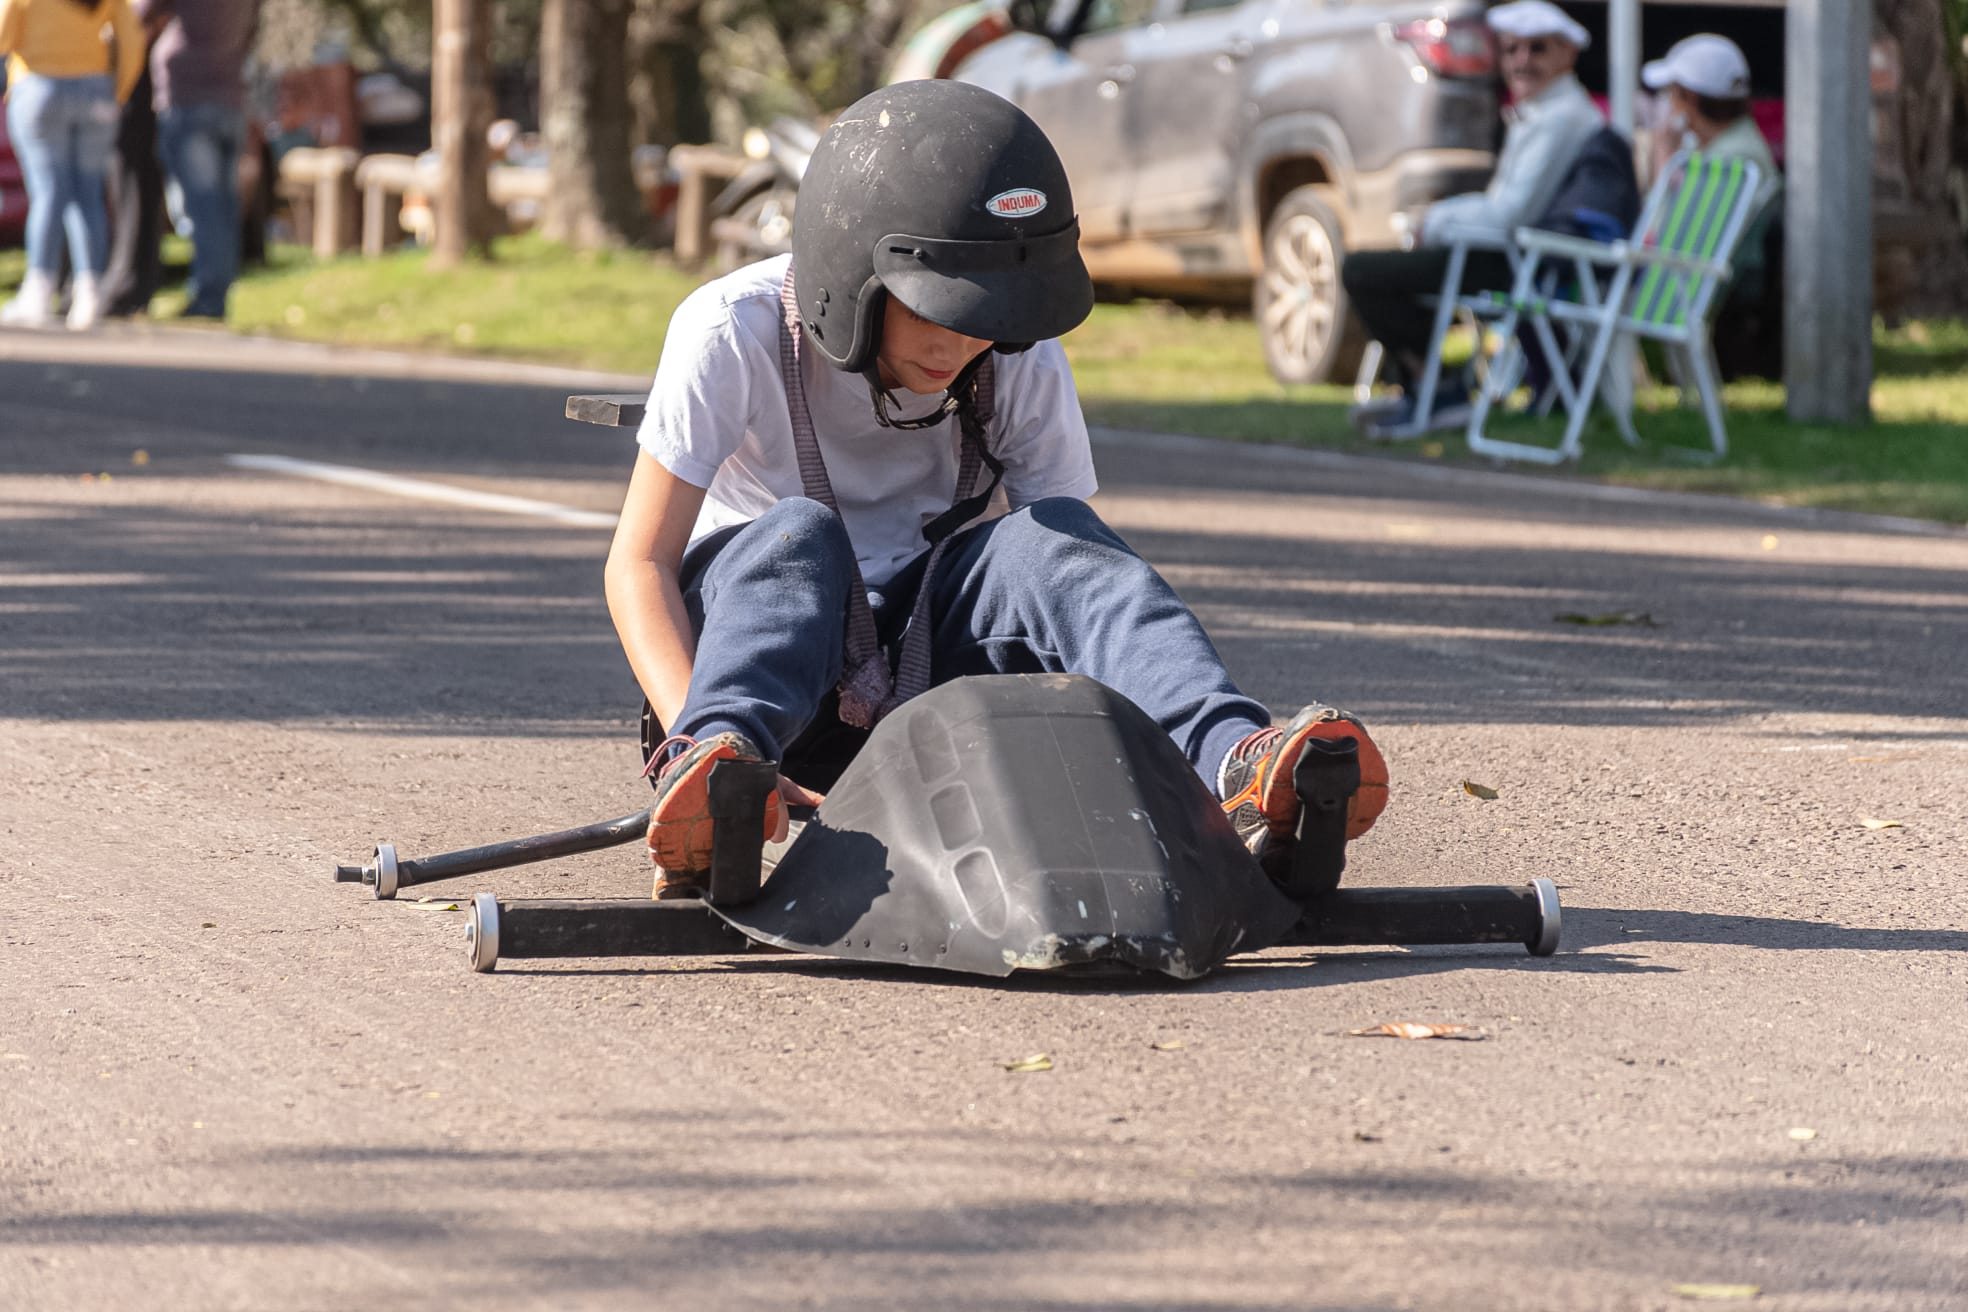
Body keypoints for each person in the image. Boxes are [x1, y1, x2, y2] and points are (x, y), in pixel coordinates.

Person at [605, 79, 1389, 898]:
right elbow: (640, 565)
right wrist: (692, 740)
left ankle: (1241, 761)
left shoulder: (1012, 350)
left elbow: (1073, 584)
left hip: (930, 686)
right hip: (771, 691)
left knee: (1053, 532)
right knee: (797, 531)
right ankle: (714, 778)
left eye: (984, 314)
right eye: (935, 310)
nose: (961, 343)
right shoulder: (732, 327)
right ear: (851, 275)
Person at [1340, 0, 1603, 436]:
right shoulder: (1543, 112)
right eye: (1512, 49)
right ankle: (1428, 386)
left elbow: (1510, 215)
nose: (1522, 61)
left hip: (1519, 261)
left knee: (1364, 271)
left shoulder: (1562, 118)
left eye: (1537, 49)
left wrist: (1436, 221)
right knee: (1380, 269)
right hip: (1510, 253)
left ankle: (1437, 388)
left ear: (1567, 54)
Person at [0, 0, 144, 329]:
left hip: (39, 86)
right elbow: (132, 42)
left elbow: (3, 35)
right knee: (88, 196)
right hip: (95, 91)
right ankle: (90, 292)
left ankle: (38, 289)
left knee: (49, 192)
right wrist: (118, 93)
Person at [141, 0, 258, 320]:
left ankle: (209, 297)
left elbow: (139, 12)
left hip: (190, 101)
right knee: (222, 208)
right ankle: (214, 293)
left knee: (202, 208)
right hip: (230, 99)